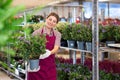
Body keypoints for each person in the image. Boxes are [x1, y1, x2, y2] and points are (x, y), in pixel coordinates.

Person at [27, 12, 61, 80]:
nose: (51, 22)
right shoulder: (36, 33)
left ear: (56, 24)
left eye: (54, 21)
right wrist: (29, 62)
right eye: (50, 19)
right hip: (37, 66)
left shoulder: (57, 34)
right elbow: (30, 49)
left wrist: (48, 53)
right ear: (46, 19)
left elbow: (56, 48)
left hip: (50, 67)